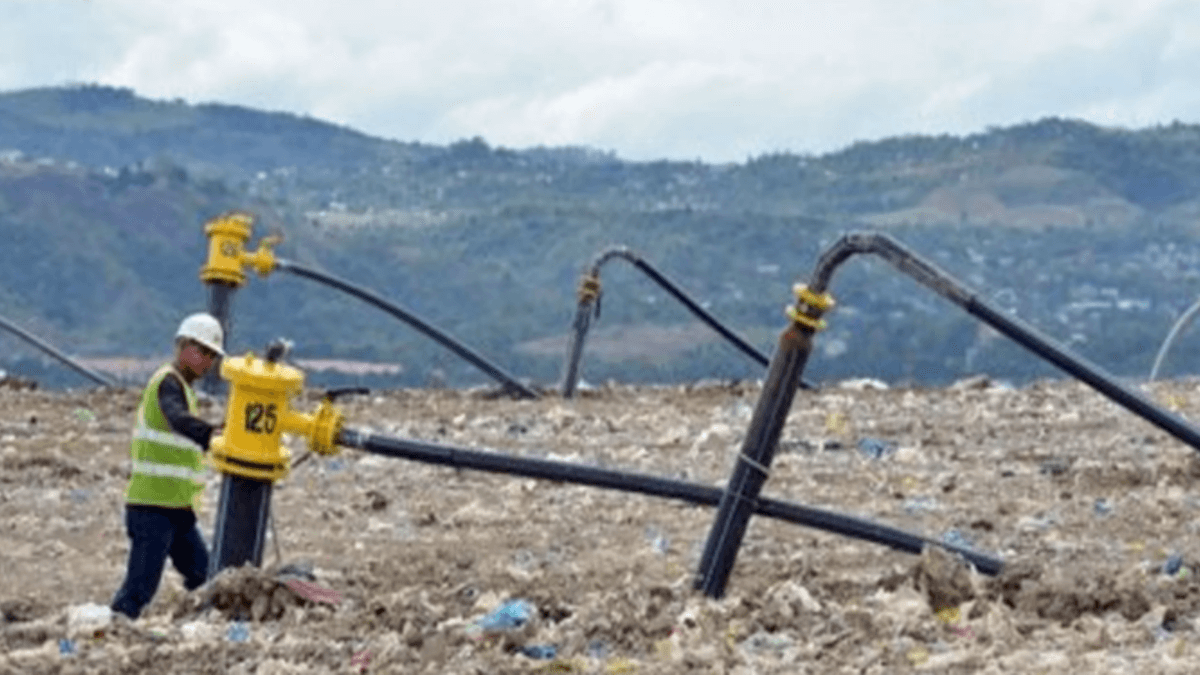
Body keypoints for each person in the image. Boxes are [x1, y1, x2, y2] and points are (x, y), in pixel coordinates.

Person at [110, 312, 225, 620]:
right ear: (183, 346)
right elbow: (176, 418)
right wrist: (210, 434)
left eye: (212, 355)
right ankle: (108, 637)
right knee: (139, 589)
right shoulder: (167, 384)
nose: (207, 361)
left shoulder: (185, 389)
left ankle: (193, 631)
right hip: (151, 507)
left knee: (205, 577)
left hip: (176, 507)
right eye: (202, 352)